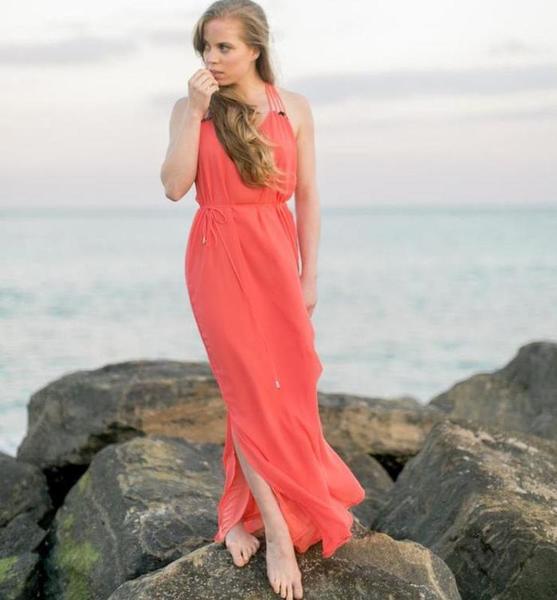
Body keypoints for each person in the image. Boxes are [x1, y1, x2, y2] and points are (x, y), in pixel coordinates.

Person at [160, 2, 366, 598]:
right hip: (217, 257)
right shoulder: (191, 107)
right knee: (247, 389)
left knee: (286, 386)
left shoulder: (292, 108)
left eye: (223, 47)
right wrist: (194, 112)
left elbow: (309, 196)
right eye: (205, 47)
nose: (211, 59)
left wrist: (309, 275)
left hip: (276, 258)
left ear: (255, 48)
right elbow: (174, 187)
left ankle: (238, 511)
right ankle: (275, 529)